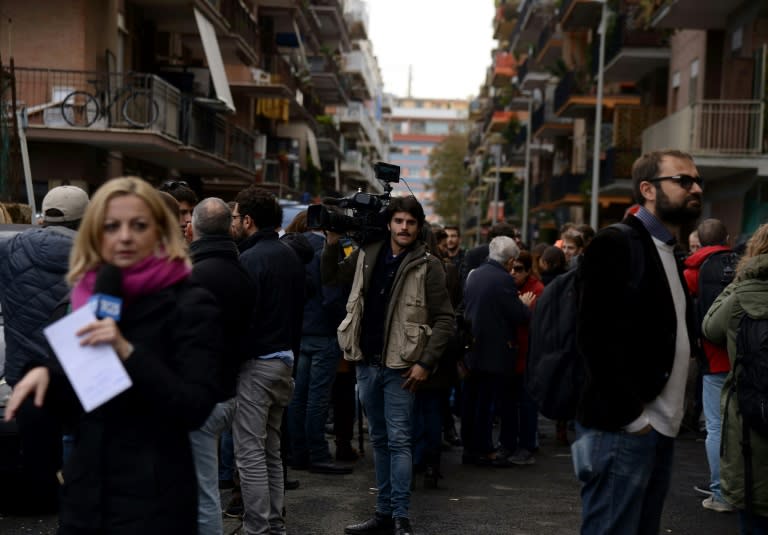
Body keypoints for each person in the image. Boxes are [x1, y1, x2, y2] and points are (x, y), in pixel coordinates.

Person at [4, 176, 221, 534]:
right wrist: (44, 376)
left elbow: (194, 407)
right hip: (86, 502)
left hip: (155, 504)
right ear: (94, 234)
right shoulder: (90, 296)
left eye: (138, 225)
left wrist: (127, 351)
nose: (124, 236)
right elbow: (81, 402)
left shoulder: (191, 303)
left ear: (160, 233)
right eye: (112, 226)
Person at [573, 149, 703, 534]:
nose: (695, 188)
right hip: (623, 428)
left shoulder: (669, 252)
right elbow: (593, 336)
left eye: (697, 181)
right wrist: (634, 419)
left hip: (659, 429)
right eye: (683, 180)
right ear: (647, 189)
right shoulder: (616, 244)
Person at [322, 196, 454, 535]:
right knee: (380, 440)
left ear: (418, 225)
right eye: (399, 221)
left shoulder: (428, 264)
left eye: (410, 222)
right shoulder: (368, 253)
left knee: (399, 441)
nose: (404, 227)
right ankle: (382, 513)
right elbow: (332, 277)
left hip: (402, 367)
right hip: (367, 364)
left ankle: (400, 516)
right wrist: (332, 243)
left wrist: (426, 362)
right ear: (389, 223)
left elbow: (444, 319)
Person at [0, 185, 89, 513]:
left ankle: (43, 501)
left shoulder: (11, 249)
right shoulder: (93, 254)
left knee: (37, 445)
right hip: (74, 367)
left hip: (24, 366)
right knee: (83, 438)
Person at [231, 186, 306, 535]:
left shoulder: (249, 259)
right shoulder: (289, 255)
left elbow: (244, 316)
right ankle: (274, 524)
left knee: (250, 452)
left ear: (248, 220)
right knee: (272, 450)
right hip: (285, 361)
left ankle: (257, 527)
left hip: (258, 364)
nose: (233, 222)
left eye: (235, 216)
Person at [188, 197, 257, 535]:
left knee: (202, 491)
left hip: (203, 394)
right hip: (229, 388)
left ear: (195, 228)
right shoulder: (242, 271)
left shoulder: (195, 275)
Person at [702, 222, 768, 534]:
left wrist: (736, 283)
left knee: (752, 512)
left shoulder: (742, 292)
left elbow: (710, 328)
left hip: (749, 413)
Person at [286, 210, 353, 475]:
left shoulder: (293, 246)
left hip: (301, 331)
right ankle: (317, 453)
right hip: (325, 332)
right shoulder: (330, 248)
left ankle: (298, 452)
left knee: (298, 396)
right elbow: (332, 294)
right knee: (317, 398)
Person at [462, 236, 534, 467]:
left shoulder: (475, 274)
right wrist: (524, 305)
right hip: (493, 353)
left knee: (473, 402)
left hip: (473, 349)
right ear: (511, 260)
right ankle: (483, 449)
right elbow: (517, 315)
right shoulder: (503, 279)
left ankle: (471, 447)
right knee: (487, 403)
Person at [682, 218, 735, 513]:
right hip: (746, 356)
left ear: (699, 243)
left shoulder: (692, 271)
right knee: (742, 425)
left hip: (712, 358)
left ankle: (720, 493)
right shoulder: (742, 265)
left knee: (715, 426)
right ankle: (742, 488)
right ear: (727, 237)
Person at [507, 250, 545, 464]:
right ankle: (513, 444)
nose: (513, 273)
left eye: (519, 269)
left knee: (528, 404)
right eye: (511, 268)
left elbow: (539, 324)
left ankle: (527, 445)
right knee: (511, 404)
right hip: (512, 356)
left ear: (529, 270)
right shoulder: (509, 287)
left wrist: (523, 311)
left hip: (529, 356)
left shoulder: (537, 290)